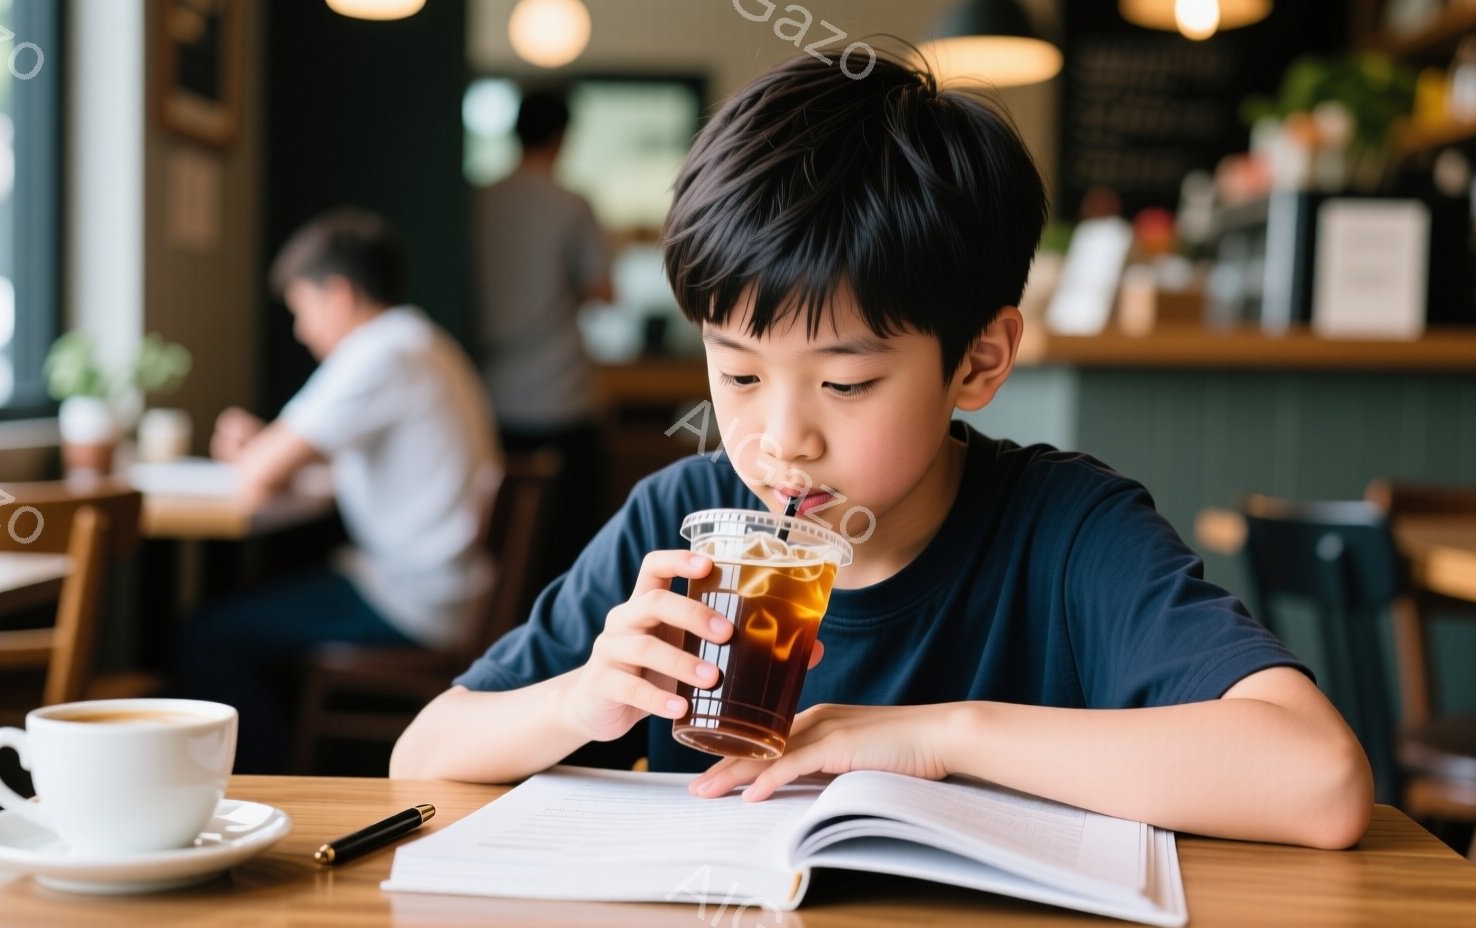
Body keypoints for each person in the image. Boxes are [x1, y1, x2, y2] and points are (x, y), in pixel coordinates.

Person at [391, 52, 1374, 849]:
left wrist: (932, 734)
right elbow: (421, 752)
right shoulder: (674, 523)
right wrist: (583, 699)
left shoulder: (1065, 531)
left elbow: (1317, 780)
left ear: (978, 361)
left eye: (845, 383)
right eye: (736, 375)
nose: (780, 439)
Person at [180, 207, 498, 772]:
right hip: (446, 588)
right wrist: (267, 449)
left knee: (206, 636)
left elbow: (258, 477)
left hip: (410, 601)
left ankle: (265, 787)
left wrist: (253, 449)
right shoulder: (422, 342)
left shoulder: (378, 352)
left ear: (339, 294)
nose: (303, 330)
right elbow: (310, 467)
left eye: (303, 308)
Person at [475, 89, 615, 588]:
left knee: (506, 544)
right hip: (560, 397)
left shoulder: (477, 200)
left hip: (490, 396)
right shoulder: (572, 204)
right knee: (567, 544)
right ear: (561, 139)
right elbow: (603, 291)